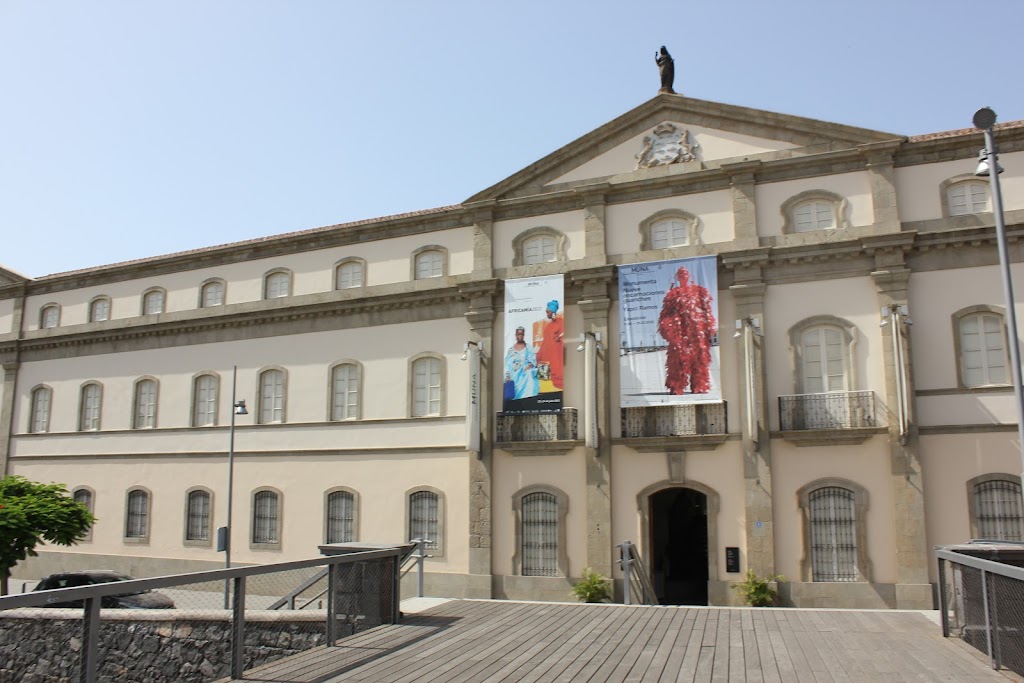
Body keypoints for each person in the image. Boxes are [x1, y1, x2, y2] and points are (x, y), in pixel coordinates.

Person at [657, 266, 715, 395]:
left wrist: (709, 325)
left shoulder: (699, 292)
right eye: (680, 274)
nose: (683, 275)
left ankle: (699, 385)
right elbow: (665, 315)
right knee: (677, 361)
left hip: (696, 333)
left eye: (685, 273)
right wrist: (669, 330)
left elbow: (706, 310)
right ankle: (677, 386)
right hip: (679, 332)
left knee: (699, 359)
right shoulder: (672, 295)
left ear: (689, 276)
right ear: (677, 277)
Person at [535, 300, 564, 390]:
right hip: (549, 359)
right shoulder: (548, 326)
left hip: (557, 355)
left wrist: (559, 337)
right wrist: (539, 356)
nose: (547, 314)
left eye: (548, 312)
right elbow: (545, 342)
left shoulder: (561, 323)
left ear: (553, 311)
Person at [505, 326, 539, 399]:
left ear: (523, 335)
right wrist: (507, 374)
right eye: (518, 334)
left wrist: (529, 365)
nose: (520, 336)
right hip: (513, 373)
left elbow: (532, 359)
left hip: (524, 372)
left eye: (521, 334)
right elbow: (507, 363)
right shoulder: (511, 349)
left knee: (529, 374)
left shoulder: (528, 347)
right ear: (516, 335)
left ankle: (527, 399)